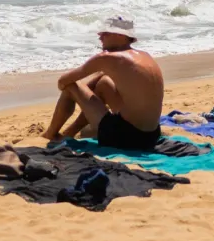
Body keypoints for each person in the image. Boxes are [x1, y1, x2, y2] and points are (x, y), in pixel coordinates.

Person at [42, 16, 165, 151]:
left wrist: (77, 94)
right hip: (151, 136)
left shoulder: (107, 58)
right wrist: (89, 91)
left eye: (105, 33)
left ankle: (51, 134)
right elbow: (103, 77)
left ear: (120, 36)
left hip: (126, 139)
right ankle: (69, 133)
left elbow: (63, 82)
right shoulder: (144, 55)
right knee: (104, 83)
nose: (100, 37)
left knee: (71, 86)